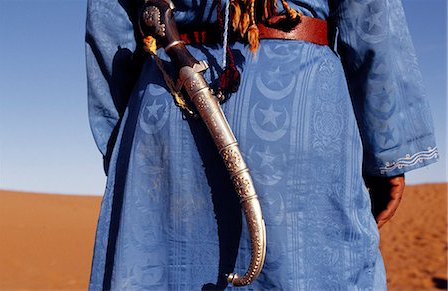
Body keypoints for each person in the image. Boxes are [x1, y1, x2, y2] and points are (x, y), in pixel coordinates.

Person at [86, 0, 438, 289]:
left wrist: (123, 146)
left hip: (163, 104)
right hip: (300, 103)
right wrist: (389, 149)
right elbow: (371, 18)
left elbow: (108, 27)